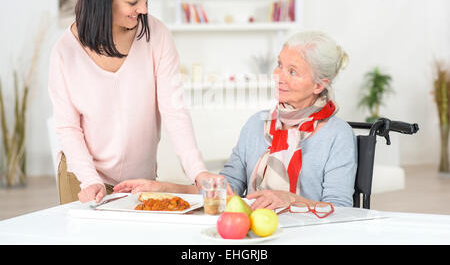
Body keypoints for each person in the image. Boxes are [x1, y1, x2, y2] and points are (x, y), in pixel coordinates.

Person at [48, 0, 218, 205]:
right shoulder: (65, 52)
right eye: (133, 1)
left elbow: (174, 110)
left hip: (141, 180)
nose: (144, 9)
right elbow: (68, 127)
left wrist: (197, 171)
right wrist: (89, 178)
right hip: (83, 178)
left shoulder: (157, 36)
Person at [115, 31, 357, 211]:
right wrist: (163, 188)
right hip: (253, 235)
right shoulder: (256, 125)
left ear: (319, 85)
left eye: (292, 72)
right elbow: (226, 190)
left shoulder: (338, 135)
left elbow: (341, 209)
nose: (278, 77)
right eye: (280, 65)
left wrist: (290, 199)